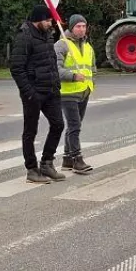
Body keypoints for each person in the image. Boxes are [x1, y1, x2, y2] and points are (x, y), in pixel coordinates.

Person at [10, 5, 66, 184]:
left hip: (50, 91)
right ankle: (32, 170)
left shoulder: (47, 35)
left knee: (58, 125)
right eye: (48, 20)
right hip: (33, 93)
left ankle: (47, 163)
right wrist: (29, 93)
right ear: (38, 19)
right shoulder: (24, 37)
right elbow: (16, 68)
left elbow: (51, 62)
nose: (51, 23)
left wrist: (56, 86)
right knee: (30, 132)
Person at [55, 14, 96, 174]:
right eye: (78, 26)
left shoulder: (88, 47)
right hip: (67, 92)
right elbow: (56, 69)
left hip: (84, 91)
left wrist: (92, 82)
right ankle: (77, 159)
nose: (81, 29)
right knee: (74, 126)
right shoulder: (61, 45)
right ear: (71, 28)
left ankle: (67, 159)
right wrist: (72, 76)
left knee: (74, 126)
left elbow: (92, 67)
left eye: (84, 26)